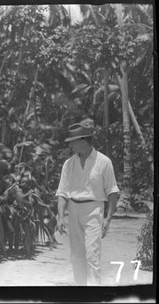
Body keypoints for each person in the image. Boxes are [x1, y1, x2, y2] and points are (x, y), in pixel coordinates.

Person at [56, 121, 119, 286]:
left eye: (72, 142)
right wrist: (61, 216)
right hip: (73, 208)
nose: (70, 145)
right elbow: (62, 192)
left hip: (94, 209)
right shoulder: (69, 164)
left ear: (84, 140)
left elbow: (113, 192)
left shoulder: (104, 162)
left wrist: (108, 219)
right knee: (76, 256)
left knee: (92, 255)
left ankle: (93, 294)